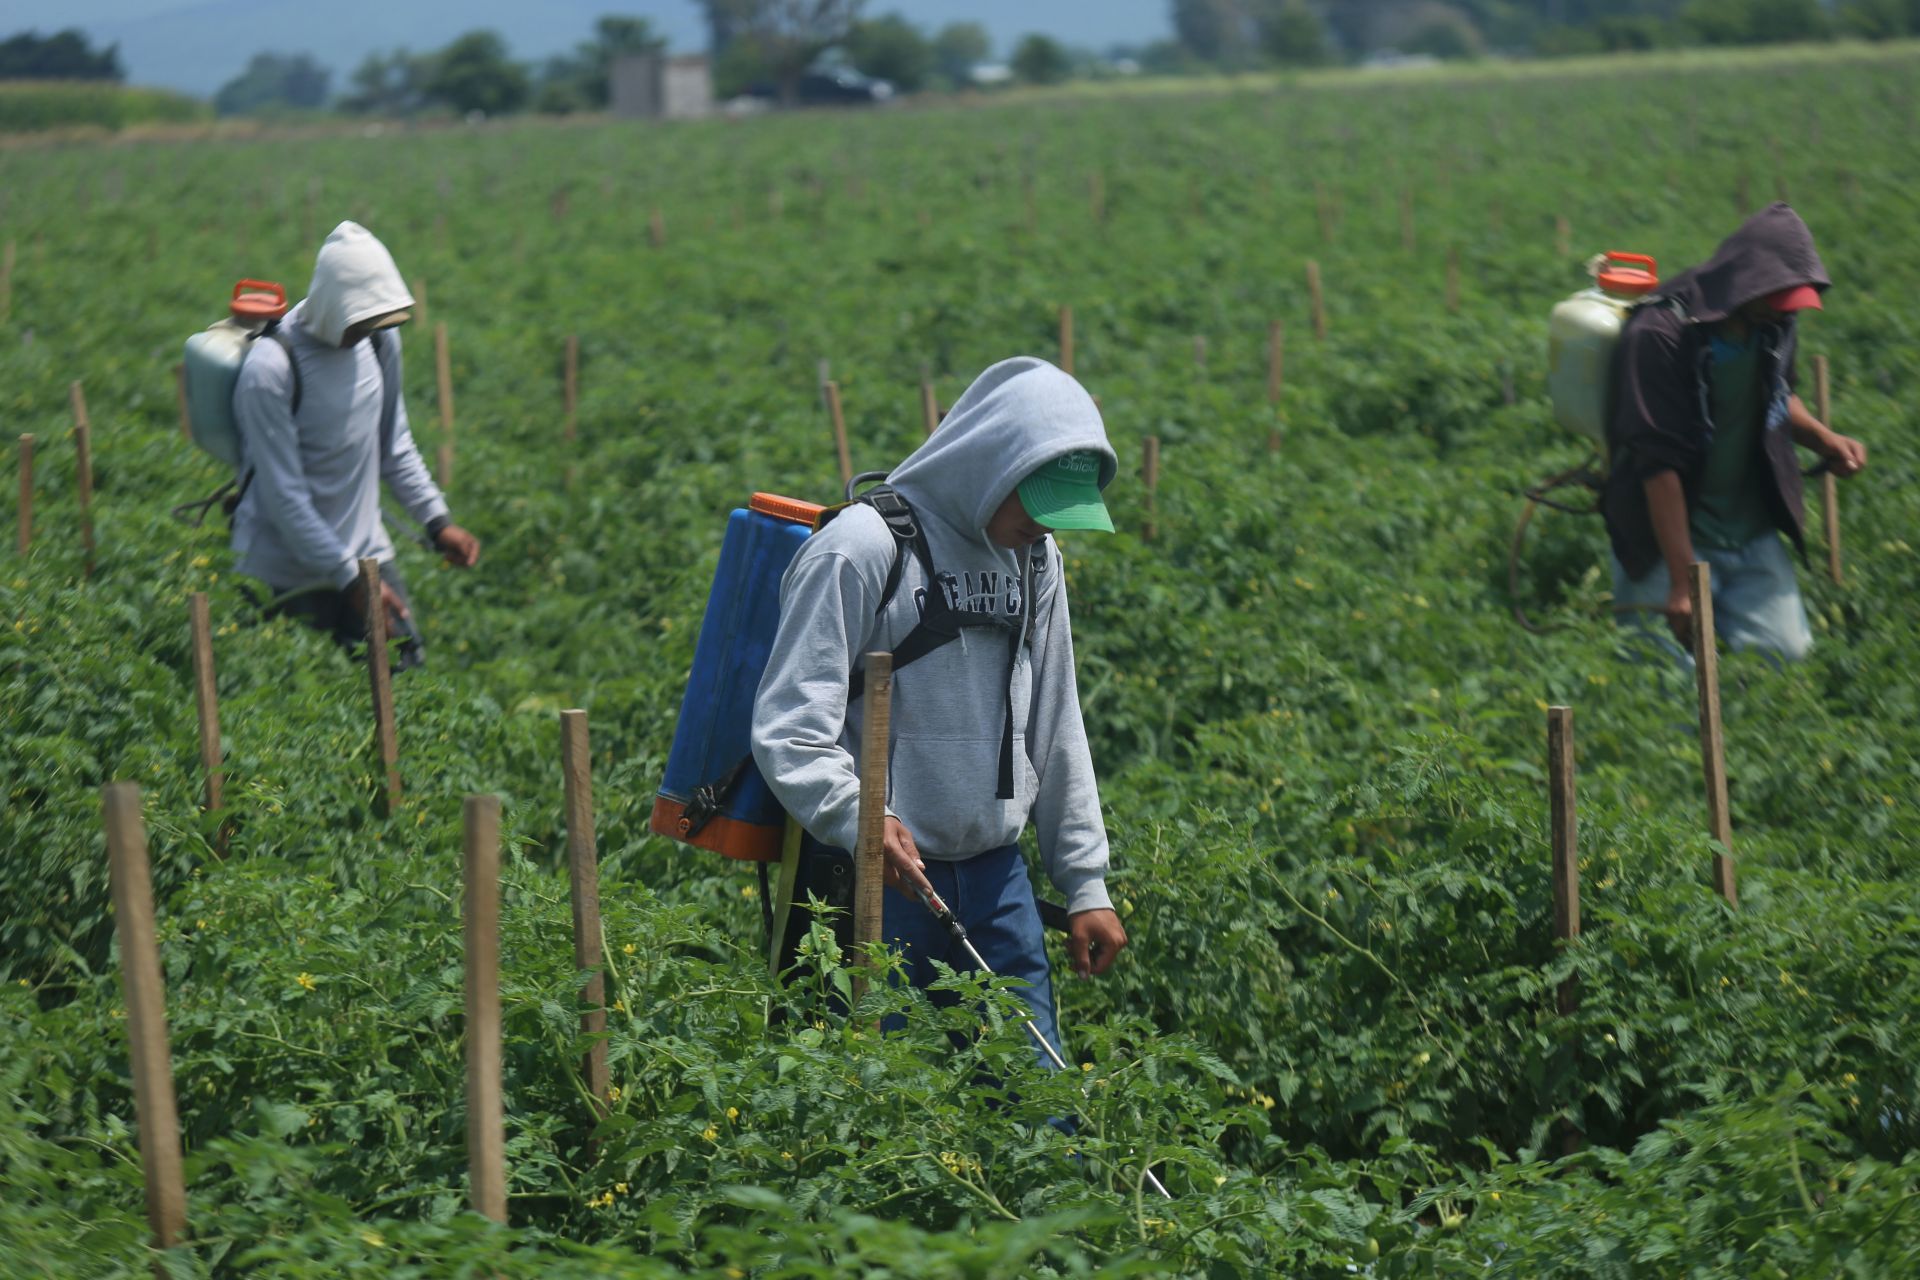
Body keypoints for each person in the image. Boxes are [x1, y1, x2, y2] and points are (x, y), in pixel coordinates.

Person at [751, 357, 1127, 1061]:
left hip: (997, 881)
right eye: (1036, 502)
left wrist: (1085, 884)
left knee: (1035, 1108)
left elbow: (1056, 722)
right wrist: (861, 816)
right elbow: (790, 727)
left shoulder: (1037, 560)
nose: (1046, 526)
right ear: (991, 465)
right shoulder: (862, 549)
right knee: (874, 1112)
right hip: (873, 879)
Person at [1603, 203, 1866, 664]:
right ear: (1748, 282)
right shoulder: (1661, 332)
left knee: (1785, 659)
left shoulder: (1773, 322)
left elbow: (1778, 396)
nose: (1781, 314)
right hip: (1666, 535)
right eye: (1775, 302)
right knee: (1663, 684)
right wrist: (1683, 582)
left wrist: (1825, 439)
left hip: (1747, 527)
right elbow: (1656, 462)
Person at [231, 221, 479, 667]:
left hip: (367, 560)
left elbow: (394, 445)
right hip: (286, 576)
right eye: (358, 323)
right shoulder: (271, 368)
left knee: (404, 687)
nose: (365, 332)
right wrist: (351, 581)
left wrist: (437, 521)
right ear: (332, 305)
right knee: (293, 710)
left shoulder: (381, 340)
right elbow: (285, 497)